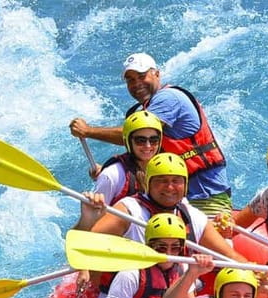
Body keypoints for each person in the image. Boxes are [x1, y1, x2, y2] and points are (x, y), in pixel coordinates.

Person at [79, 153, 244, 298]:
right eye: (161, 181)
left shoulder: (191, 216)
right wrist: (87, 220)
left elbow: (231, 257)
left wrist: (259, 273)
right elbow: (86, 245)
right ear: (148, 183)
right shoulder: (129, 211)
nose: (170, 187)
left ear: (185, 185)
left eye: (176, 181)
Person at [70, 52, 231, 216]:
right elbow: (143, 157)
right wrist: (112, 173)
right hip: (175, 197)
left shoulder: (168, 98)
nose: (136, 84)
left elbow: (132, 135)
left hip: (205, 197)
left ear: (157, 74)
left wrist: (88, 131)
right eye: (130, 80)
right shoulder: (146, 109)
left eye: (142, 76)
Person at [73, 110, 162, 231]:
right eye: (140, 140)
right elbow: (94, 224)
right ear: (128, 141)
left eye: (154, 140)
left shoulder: (166, 170)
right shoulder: (112, 175)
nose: (148, 146)